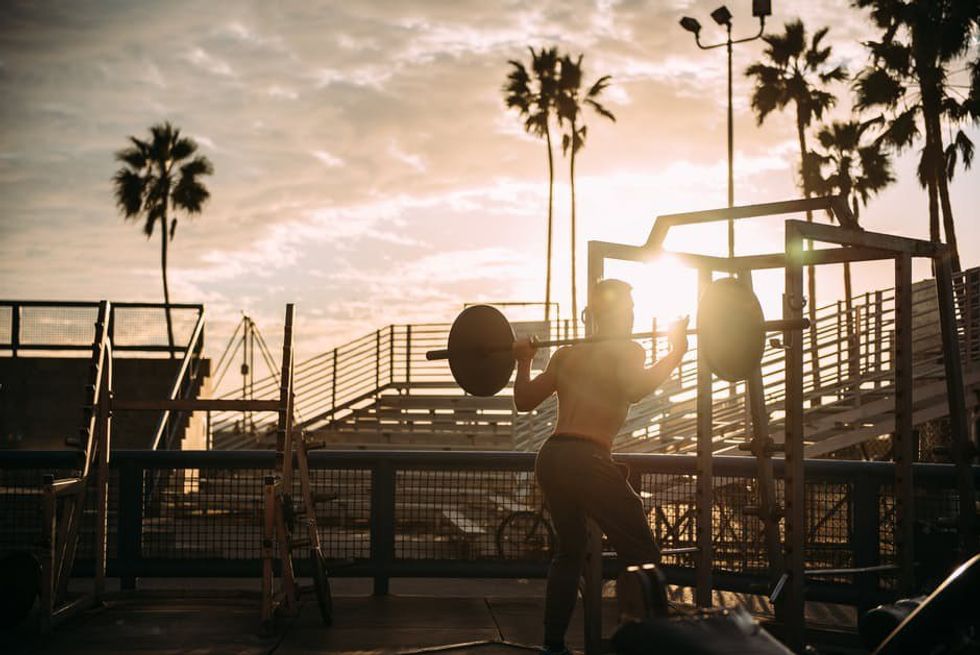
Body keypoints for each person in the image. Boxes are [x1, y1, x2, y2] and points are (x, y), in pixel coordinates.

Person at [512, 278, 689, 655]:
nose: (632, 314)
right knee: (643, 554)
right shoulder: (629, 350)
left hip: (553, 456)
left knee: (570, 551)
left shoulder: (566, 355)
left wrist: (523, 361)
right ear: (618, 314)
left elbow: (524, 399)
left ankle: (553, 645)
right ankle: (648, 643)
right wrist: (676, 351)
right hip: (587, 458)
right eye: (628, 308)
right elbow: (638, 389)